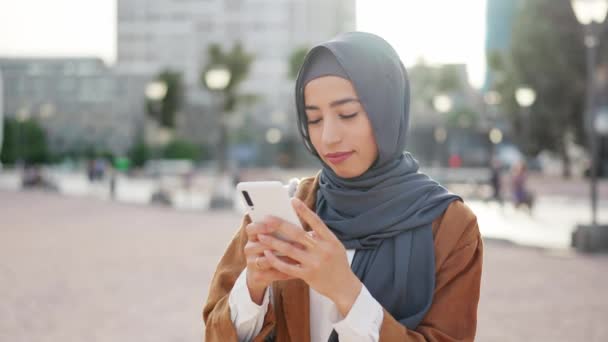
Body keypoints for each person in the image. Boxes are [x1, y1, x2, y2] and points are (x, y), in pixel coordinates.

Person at [203, 32, 483, 341]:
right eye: (314, 119)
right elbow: (214, 333)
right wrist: (253, 288)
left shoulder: (449, 226)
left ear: (387, 112)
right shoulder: (288, 210)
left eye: (347, 114)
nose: (328, 137)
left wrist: (346, 291)